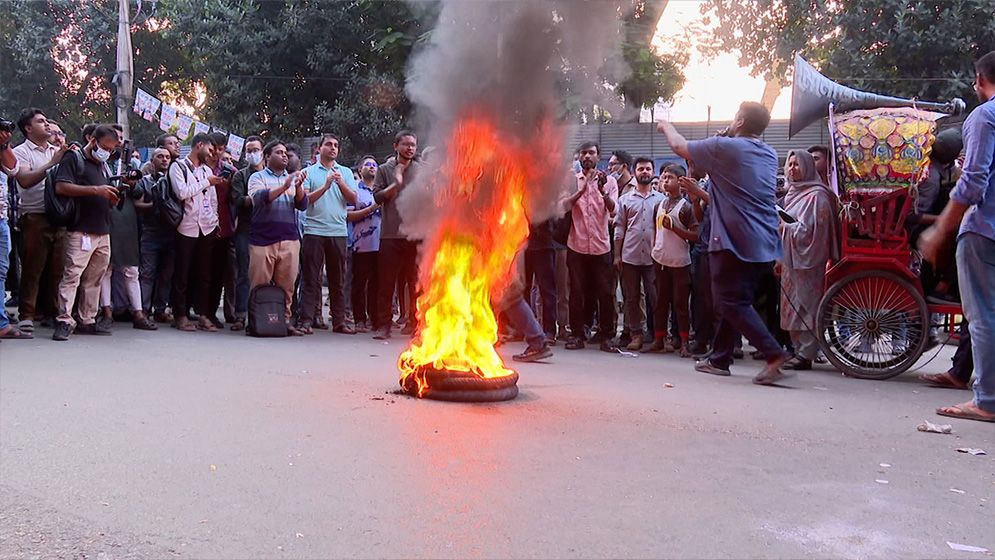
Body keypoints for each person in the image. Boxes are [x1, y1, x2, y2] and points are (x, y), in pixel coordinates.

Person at [658, 101, 791, 384]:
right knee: (737, 299)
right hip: (763, 238)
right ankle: (720, 358)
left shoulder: (725, 148)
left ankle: (773, 353)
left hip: (733, 237)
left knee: (729, 301)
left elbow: (680, 147)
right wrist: (724, 138)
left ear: (740, 121)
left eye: (734, 117)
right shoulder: (768, 152)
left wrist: (665, 125)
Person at [920, 50, 995, 423]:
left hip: (984, 230)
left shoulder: (984, 116)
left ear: (980, 81)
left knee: (981, 316)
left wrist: (940, 229)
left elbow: (974, 182)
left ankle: (987, 400)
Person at [51, 124, 125, 340]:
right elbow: (61, 187)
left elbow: (106, 197)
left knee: (95, 278)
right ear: (93, 141)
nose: (108, 153)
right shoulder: (74, 159)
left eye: (112, 150)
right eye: (105, 148)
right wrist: (95, 190)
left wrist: (115, 194)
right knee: (72, 275)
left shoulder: (105, 166)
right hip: (79, 230)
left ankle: (87, 319)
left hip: (103, 230)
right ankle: (64, 320)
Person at [7, 108, 68, 333]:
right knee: (33, 269)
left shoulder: (57, 150)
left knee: (57, 269)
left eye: (47, 121)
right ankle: (27, 314)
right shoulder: (20, 152)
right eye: (41, 122)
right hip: (33, 215)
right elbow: (24, 180)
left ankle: (52, 312)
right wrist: (52, 163)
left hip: (59, 215)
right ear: (28, 128)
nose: (47, 125)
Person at [777, 150, 838, 370]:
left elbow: (812, 233)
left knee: (806, 306)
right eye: (789, 164)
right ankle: (797, 350)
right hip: (789, 259)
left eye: (797, 165)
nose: (792, 169)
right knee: (790, 307)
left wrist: (784, 227)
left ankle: (807, 354)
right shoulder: (793, 193)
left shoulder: (818, 196)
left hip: (808, 261)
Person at [296, 133, 358, 334]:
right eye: (329, 145)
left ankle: (339, 322)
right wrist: (326, 185)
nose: (333, 148)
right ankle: (306, 320)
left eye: (336, 145)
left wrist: (340, 183)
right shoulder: (309, 172)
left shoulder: (345, 172)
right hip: (314, 231)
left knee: (337, 279)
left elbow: (353, 200)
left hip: (338, 232)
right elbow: (305, 201)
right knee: (311, 279)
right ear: (319, 149)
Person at [247, 140, 309, 333]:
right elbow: (259, 199)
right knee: (259, 285)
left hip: (289, 240)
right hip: (262, 240)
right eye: (279, 152)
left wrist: (298, 186)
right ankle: (256, 323)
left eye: (286, 153)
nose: (285, 156)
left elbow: (302, 205)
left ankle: (285, 323)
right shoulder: (257, 177)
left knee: (287, 287)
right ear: (267, 157)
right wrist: (285, 185)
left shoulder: (292, 179)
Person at [563, 142, 618, 350]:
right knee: (576, 292)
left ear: (598, 156)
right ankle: (577, 334)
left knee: (605, 292)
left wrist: (602, 191)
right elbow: (563, 206)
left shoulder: (610, 181)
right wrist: (580, 190)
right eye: (584, 153)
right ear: (579, 157)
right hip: (576, 245)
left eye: (591, 153)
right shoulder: (571, 181)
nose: (587, 156)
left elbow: (614, 211)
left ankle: (606, 335)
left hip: (601, 246)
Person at [371, 130, 421, 340]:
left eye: (413, 145)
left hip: (415, 234)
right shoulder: (384, 170)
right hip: (391, 235)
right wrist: (396, 183)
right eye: (406, 144)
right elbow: (378, 197)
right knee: (386, 282)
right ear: (396, 146)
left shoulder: (421, 171)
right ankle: (384, 325)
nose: (410, 148)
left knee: (417, 283)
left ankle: (416, 324)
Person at [169, 132, 221, 332]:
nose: (210, 154)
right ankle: (180, 315)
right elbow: (182, 192)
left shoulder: (207, 170)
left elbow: (212, 199)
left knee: (204, 274)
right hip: (186, 226)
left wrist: (215, 220)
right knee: (182, 273)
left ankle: (203, 315)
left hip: (206, 227)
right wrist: (208, 182)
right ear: (199, 145)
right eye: (209, 149)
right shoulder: (178, 167)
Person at [614, 156, 663, 351]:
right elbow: (619, 229)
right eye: (641, 169)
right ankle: (636, 335)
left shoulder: (661, 200)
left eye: (648, 169)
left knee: (655, 297)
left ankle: (659, 335)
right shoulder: (624, 200)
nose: (645, 172)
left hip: (654, 257)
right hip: (629, 256)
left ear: (652, 172)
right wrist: (617, 255)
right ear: (634, 173)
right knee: (631, 298)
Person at [649, 164, 699, 356]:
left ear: (680, 181)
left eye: (669, 177)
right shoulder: (659, 204)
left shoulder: (685, 206)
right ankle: (659, 339)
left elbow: (695, 236)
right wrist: (655, 247)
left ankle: (685, 342)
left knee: (680, 305)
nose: (664, 181)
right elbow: (655, 230)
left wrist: (675, 229)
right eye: (663, 177)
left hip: (680, 263)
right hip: (660, 259)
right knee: (660, 303)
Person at [229, 135, 264, 331]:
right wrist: (258, 198)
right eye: (249, 151)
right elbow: (237, 200)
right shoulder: (240, 175)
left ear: (263, 151)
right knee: (244, 272)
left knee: (265, 274)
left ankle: (263, 313)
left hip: (266, 230)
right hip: (245, 228)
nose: (252, 154)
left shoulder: (271, 174)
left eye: (255, 150)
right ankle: (240, 315)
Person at [0, 127, 31, 339]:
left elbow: (13, 169)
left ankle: (1, 324)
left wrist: (3, 144)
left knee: (1, 271)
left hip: (1, 218)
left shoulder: (3, 148)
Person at [137, 147, 174, 322]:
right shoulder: (144, 182)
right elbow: (138, 204)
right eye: (160, 157)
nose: (165, 160)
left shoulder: (175, 180)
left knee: (166, 275)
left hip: (171, 232)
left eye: (167, 157)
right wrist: (156, 206)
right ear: (152, 161)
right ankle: (143, 310)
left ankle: (160, 309)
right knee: (147, 273)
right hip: (150, 232)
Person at [205, 131, 236, 328]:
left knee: (217, 274)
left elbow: (235, 199)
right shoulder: (196, 169)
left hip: (223, 227)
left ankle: (211, 312)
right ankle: (197, 311)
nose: (216, 152)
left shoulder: (229, 171)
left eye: (220, 148)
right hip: (199, 227)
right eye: (213, 147)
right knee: (200, 272)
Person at [348, 155, 381, 333]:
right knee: (360, 283)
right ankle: (359, 318)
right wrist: (370, 209)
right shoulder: (354, 191)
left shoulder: (381, 190)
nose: (372, 167)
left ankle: (376, 319)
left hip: (381, 243)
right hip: (361, 244)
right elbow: (347, 215)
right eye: (367, 165)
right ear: (360, 170)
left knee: (378, 283)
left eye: (374, 165)